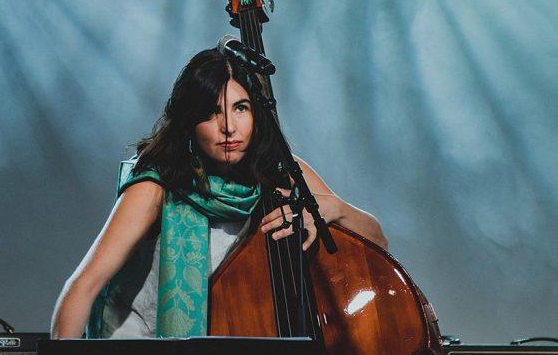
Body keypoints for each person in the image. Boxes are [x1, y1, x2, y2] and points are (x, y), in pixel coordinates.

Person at [51, 47, 387, 339]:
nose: (229, 125)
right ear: (189, 122)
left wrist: (332, 209)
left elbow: (377, 243)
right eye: (212, 112)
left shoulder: (279, 170)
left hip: (227, 354)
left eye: (241, 107)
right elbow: (84, 286)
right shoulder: (156, 185)